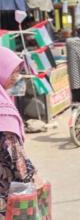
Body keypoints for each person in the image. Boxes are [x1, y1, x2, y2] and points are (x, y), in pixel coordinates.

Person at [0, 47, 40, 217]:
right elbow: (15, 156)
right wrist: (32, 178)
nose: (16, 77)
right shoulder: (3, 111)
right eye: (12, 72)